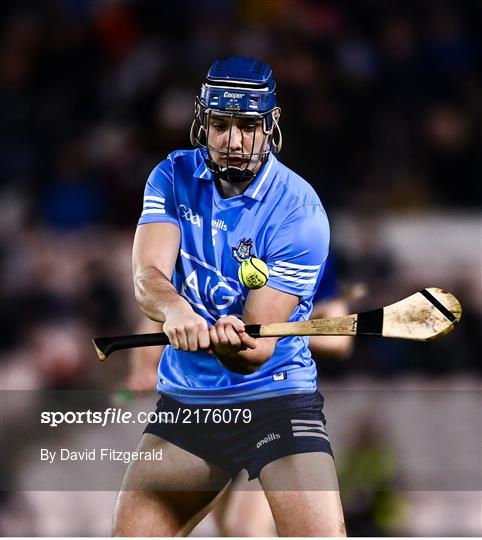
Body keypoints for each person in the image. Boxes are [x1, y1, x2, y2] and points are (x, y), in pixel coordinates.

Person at [113, 56, 346, 537]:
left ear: (272, 124)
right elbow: (147, 274)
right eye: (220, 125)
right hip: (188, 405)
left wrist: (224, 340)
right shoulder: (172, 177)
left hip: (277, 400)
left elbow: (254, 352)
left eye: (248, 126)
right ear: (203, 122)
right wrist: (176, 309)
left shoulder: (299, 213)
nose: (233, 141)